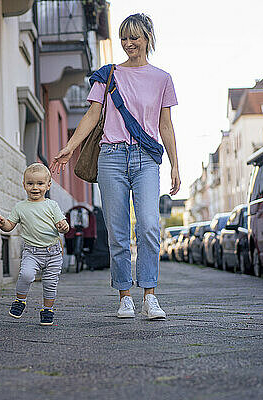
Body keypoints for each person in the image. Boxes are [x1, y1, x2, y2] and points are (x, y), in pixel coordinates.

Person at [50, 13, 180, 320]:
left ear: (148, 37)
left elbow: (166, 125)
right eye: (124, 38)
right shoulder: (109, 75)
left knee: (148, 225)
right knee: (118, 231)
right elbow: (92, 116)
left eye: (134, 37)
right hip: (111, 157)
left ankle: (149, 295)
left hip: (146, 158)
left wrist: (176, 164)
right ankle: (124, 296)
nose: (128, 43)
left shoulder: (162, 78)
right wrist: (70, 147)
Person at [0, 163, 69, 326]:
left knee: (50, 282)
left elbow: (63, 225)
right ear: (23, 184)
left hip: (53, 252)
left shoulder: (51, 205)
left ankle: (47, 310)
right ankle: (20, 300)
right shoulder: (20, 207)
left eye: (40, 184)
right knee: (26, 275)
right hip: (31, 252)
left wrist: (64, 227)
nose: (35, 187)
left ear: (48, 185)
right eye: (30, 183)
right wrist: (3, 223)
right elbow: (9, 227)